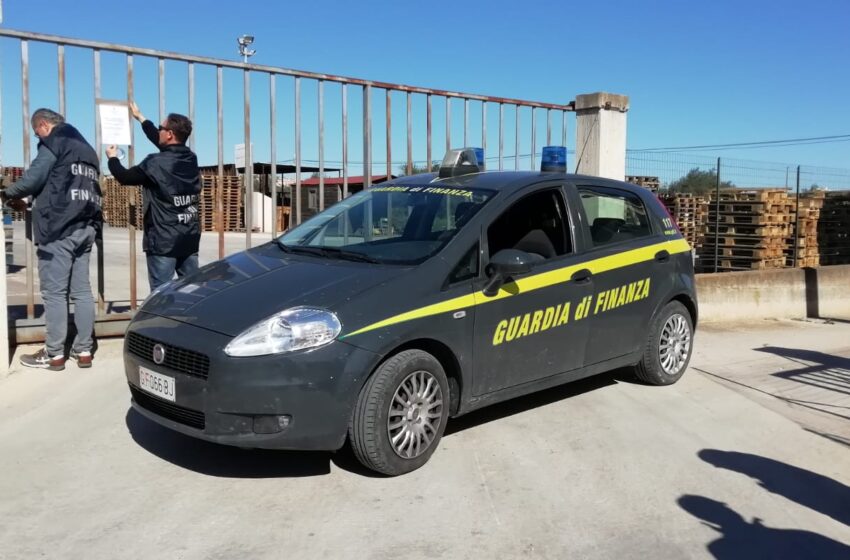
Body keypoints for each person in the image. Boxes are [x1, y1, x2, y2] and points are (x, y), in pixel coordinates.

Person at [0, 108, 102, 371]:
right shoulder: (87, 149)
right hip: (85, 226)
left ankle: (54, 354)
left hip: (58, 228)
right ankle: (84, 350)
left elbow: (33, 179)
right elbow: (64, 183)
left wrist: (8, 193)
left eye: (37, 133)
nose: (39, 138)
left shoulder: (55, 141)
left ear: (44, 125)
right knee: (82, 292)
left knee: (54, 293)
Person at [106, 105, 201, 290]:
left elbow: (125, 177)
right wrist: (140, 117)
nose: (158, 131)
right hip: (189, 236)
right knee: (191, 291)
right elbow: (166, 145)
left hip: (163, 241)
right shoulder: (191, 158)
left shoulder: (155, 163)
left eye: (161, 128)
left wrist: (112, 159)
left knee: (161, 294)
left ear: (170, 134)